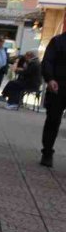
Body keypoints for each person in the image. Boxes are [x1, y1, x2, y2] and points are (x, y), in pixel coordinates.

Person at [42, 33, 66, 167]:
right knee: (53, 120)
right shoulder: (57, 41)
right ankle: (47, 152)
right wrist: (50, 78)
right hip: (58, 86)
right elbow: (47, 61)